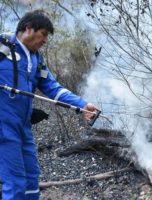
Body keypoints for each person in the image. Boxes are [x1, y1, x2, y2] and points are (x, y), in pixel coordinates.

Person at [0, 10, 97, 200]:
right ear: (29, 29)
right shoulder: (3, 46)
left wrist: (83, 105)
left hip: (24, 126)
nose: (45, 40)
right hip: (4, 126)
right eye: (43, 34)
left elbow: (53, 88)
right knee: (16, 179)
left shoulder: (37, 60)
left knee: (31, 177)